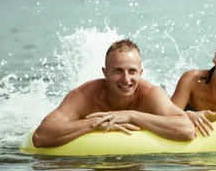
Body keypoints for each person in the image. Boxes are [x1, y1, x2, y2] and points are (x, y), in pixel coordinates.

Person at [32, 39, 195, 148]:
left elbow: (187, 130)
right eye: (118, 71)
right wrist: (95, 123)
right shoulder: (84, 95)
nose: (126, 79)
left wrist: (132, 115)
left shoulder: (150, 94)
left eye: (132, 71)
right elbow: (40, 136)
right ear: (105, 73)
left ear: (141, 73)